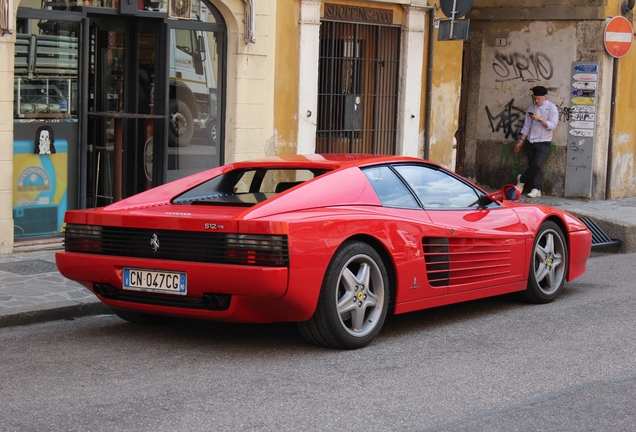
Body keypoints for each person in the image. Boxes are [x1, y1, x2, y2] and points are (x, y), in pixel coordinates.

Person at [514, 86, 559, 198]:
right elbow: (526, 126)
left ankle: (522, 179)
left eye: (539, 98)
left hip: (544, 141)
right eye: (535, 98)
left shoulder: (552, 108)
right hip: (531, 140)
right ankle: (536, 188)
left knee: (537, 164)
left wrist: (540, 119)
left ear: (545, 97)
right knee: (534, 166)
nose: (536, 101)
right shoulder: (531, 107)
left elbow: (552, 125)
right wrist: (521, 141)